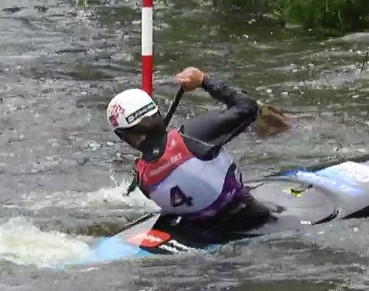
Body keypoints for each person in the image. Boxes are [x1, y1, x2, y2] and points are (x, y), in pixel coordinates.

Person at [106, 67, 273, 235]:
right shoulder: (192, 136)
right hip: (252, 217)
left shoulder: (142, 178)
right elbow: (248, 107)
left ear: (123, 136)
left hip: (205, 232)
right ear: (157, 111)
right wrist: (204, 80)